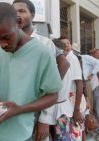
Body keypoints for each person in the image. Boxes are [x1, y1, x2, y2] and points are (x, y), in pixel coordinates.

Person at [0, 3, 62, 141]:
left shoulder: (42, 53)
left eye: (6, 37)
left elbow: (53, 95)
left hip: (22, 134)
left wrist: (19, 109)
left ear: (18, 23)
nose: (2, 44)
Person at [12, 1, 70, 140]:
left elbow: (59, 72)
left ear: (32, 15)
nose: (17, 15)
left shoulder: (44, 43)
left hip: (35, 111)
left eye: (22, 11)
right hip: (12, 112)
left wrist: (44, 118)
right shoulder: (6, 41)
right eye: (14, 12)